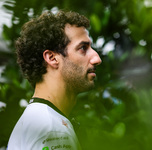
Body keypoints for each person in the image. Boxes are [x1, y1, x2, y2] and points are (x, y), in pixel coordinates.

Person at [7, 10, 102, 150]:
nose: (97, 59)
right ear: (52, 58)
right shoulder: (51, 129)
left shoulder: (39, 121)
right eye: (83, 48)